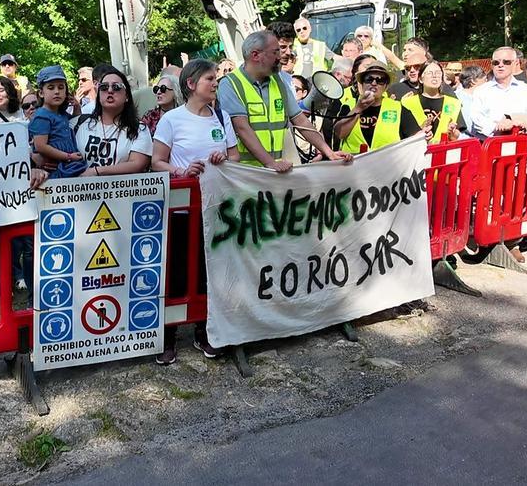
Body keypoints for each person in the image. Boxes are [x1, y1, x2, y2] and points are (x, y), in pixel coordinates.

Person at [150, 58, 240, 364]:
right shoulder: (172, 119)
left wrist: (222, 159)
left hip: (215, 207)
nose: (215, 83)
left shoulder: (221, 116)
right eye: (209, 79)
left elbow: (234, 157)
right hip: (180, 211)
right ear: (191, 84)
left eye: (216, 78)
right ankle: (168, 335)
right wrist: (181, 170)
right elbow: (156, 161)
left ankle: (206, 331)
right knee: (175, 272)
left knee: (208, 270)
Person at [217, 29, 353, 171]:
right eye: (275, 52)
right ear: (255, 55)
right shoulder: (230, 84)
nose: (283, 55)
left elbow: (300, 120)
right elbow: (242, 128)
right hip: (247, 173)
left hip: (274, 172)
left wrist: (329, 153)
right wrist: (271, 163)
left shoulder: (278, 81)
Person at [72, 68, 152, 175]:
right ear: (98, 94)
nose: (110, 91)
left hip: (122, 190)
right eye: (104, 87)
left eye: (117, 87)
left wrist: (97, 171)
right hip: (81, 189)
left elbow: (138, 164)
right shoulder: (78, 123)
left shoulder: (139, 129)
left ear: (127, 96)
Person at [334, 60, 425, 153]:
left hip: (387, 164)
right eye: (369, 79)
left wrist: (423, 134)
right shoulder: (349, 105)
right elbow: (339, 133)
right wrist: (358, 108)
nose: (374, 83)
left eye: (380, 80)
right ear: (362, 83)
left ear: (386, 86)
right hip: (354, 164)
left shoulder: (397, 107)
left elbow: (416, 137)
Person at [468, 47, 527, 138]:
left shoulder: (526, 90)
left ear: (515, 63)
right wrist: (498, 127)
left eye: (506, 62)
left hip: (522, 144)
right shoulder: (481, 91)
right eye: (496, 62)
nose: (500, 65)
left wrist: (522, 122)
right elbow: (477, 118)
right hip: (493, 144)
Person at [28, 66, 86, 178]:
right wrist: (68, 156)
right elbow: (40, 146)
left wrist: (77, 108)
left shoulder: (62, 114)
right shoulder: (42, 116)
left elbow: (75, 125)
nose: (57, 92)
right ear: (41, 93)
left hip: (68, 165)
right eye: (51, 88)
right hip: (56, 169)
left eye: (61, 87)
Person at [401, 60, 465, 143]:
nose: (434, 76)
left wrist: (453, 134)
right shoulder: (407, 103)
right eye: (429, 73)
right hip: (416, 152)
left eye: (438, 73)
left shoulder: (453, 103)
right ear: (420, 79)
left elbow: (458, 136)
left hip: (444, 152)